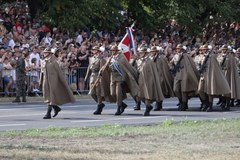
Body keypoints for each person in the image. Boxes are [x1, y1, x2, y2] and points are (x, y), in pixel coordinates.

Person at [40, 48, 75, 119]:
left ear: (50, 54)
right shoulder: (43, 61)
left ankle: (48, 114)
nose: (44, 54)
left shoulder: (54, 62)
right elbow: (42, 72)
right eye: (44, 52)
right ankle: (56, 108)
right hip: (46, 82)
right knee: (47, 97)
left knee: (51, 97)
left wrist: (62, 82)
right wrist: (40, 81)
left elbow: (59, 73)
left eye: (46, 52)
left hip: (53, 82)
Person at [197, 45, 231, 112]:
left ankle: (210, 105)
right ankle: (205, 103)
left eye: (205, 49)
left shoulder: (211, 56)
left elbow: (214, 66)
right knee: (200, 90)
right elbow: (198, 64)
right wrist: (199, 68)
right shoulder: (201, 57)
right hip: (203, 75)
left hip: (210, 75)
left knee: (210, 91)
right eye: (203, 49)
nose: (204, 50)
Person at [135, 46, 165, 116]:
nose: (140, 54)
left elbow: (153, 72)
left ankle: (147, 109)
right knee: (139, 95)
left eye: (142, 53)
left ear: (145, 53)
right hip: (141, 80)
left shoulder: (150, 61)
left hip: (148, 81)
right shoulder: (139, 61)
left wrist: (152, 81)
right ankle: (148, 106)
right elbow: (138, 70)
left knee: (147, 95)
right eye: (140, 53)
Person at [85, 46, 113, 114]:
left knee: (98, 93)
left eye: (95, 50)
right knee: (92, 93)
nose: (93, 51)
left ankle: (99, 107)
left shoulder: (101, 59)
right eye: (93, 50)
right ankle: (100, 104)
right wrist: (86, 77)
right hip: (92, 76)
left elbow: (102, 69)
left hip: (98, 76)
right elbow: (89, 68)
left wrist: (100, 77)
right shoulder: (92, 58)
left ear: (98, 51)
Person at [170, 44, 199, 111]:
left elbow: (190, 65)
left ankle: (184, 103)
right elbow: (172, 63)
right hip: (178, 74)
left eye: (179, 48)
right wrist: (172, 68)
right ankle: (180, 101)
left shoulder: (186, 56)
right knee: (176, 89)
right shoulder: (175, 56)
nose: (178, 50)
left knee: (184, 90)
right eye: (177, 48)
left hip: (184, 73)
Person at [150, 46, 175, 111]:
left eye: (153, 51)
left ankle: (158, 104)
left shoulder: (161, 58)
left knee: (160, 90)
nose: (152, 53)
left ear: (156, 52)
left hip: (160, 76)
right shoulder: (151, 59)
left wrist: (164, 77)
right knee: (155, 91)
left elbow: (165, 68)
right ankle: (158, 104)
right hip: (153, 77)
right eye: (151, 51)